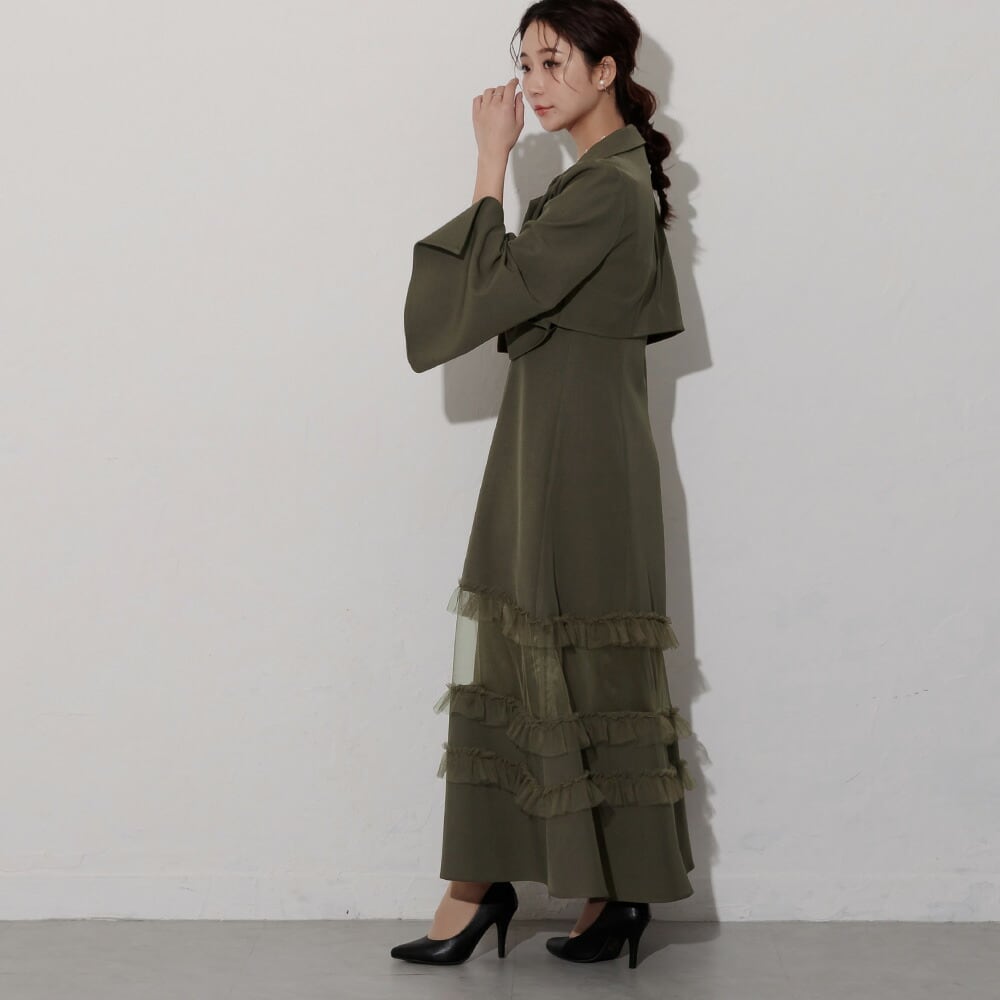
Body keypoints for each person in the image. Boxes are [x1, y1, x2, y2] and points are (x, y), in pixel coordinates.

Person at [391, 1, 699, 969]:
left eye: (553, 61)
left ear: (607, 71)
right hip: (559, 439)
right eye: (524, 63)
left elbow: (483, 299)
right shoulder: (597, 182)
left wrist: (489, 162)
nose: (531, 83)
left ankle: (485, 889)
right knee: (553, 649)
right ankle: (596, 892)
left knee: (562, 646)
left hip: (574, 452)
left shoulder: (604, 190)